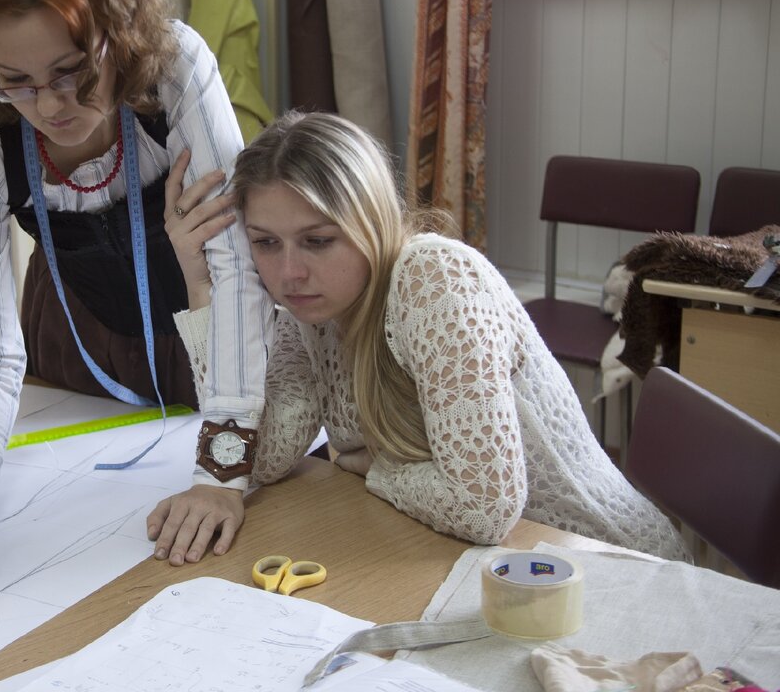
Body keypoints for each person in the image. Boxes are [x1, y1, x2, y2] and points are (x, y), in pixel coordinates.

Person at [0, 0, 272, 589]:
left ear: (118, 36)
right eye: (14, 80)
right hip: (76, 340)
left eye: (71, 70)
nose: (48, 106)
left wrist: (222, 474)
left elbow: (231, 267)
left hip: (208, 326)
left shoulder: (176, 70)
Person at [148, 111, 688, 563]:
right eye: (265, 243)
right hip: (487, 565)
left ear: (371, 220)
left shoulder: (435, 280)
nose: (289, 274)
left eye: (318, 241)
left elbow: (484, 507)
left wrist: (378, 469)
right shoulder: (309, 312)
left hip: (605, 561)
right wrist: (205, 285)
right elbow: (263, 459)